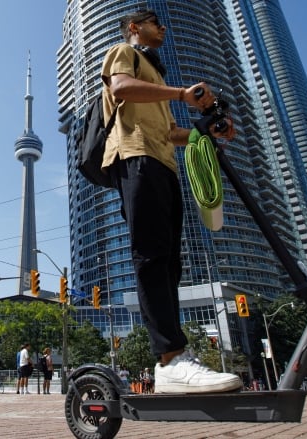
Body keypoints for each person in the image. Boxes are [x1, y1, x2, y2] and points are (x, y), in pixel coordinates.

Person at [101, 9, 241, 394]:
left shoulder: (157, 76)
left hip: (164, 164)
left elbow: (171, 132)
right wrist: (181, 94)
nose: (163, 28)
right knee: (150, 256)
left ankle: (174, 359)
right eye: (155, 23)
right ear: (134, 27)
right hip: (135, 156)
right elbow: (121, 89)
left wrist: (208, 131)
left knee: (169, 263)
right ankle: (169, 358)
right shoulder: (123, 53)